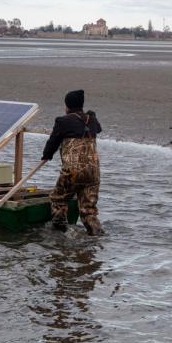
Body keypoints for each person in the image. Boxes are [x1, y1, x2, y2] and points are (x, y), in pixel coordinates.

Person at [41, 89, 104, 235]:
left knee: (58, 199)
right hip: (93, 173)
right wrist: (92, 115)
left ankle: (60, 233)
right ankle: (96, 236)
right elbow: (98, 129)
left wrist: (46, 155)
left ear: (67, 105)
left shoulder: (63, 121)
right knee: (89, 210)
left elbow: (53, 141)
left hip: (73, 172)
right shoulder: (92, 120)